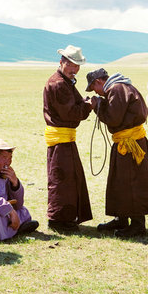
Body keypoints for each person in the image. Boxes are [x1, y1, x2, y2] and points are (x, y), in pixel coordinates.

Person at [86, 68, 148, 238]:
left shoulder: (116, 89)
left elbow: (114, 118)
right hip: (126, 141)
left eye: (94, 88)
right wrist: (102, 103)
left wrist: (97, 105)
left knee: (132, 182)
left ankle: (137, 225)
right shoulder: (120, 87)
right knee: (121, 181)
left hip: (130, 143)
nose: (96, 92)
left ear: (99, 82)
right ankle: (121, 218)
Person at [43, 45, 93, 232]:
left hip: (65, 139)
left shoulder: (66, 82)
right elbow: (72, 113)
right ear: (61, 62)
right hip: (61, 139)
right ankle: (57, 220)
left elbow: (78, 104)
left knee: (69, 178)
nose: (75, 69)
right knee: (61, 179)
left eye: (77, 66)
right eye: (71, 65)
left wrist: (85, 105)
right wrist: (88, 106)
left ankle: (66, 218)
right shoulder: (59, 84)